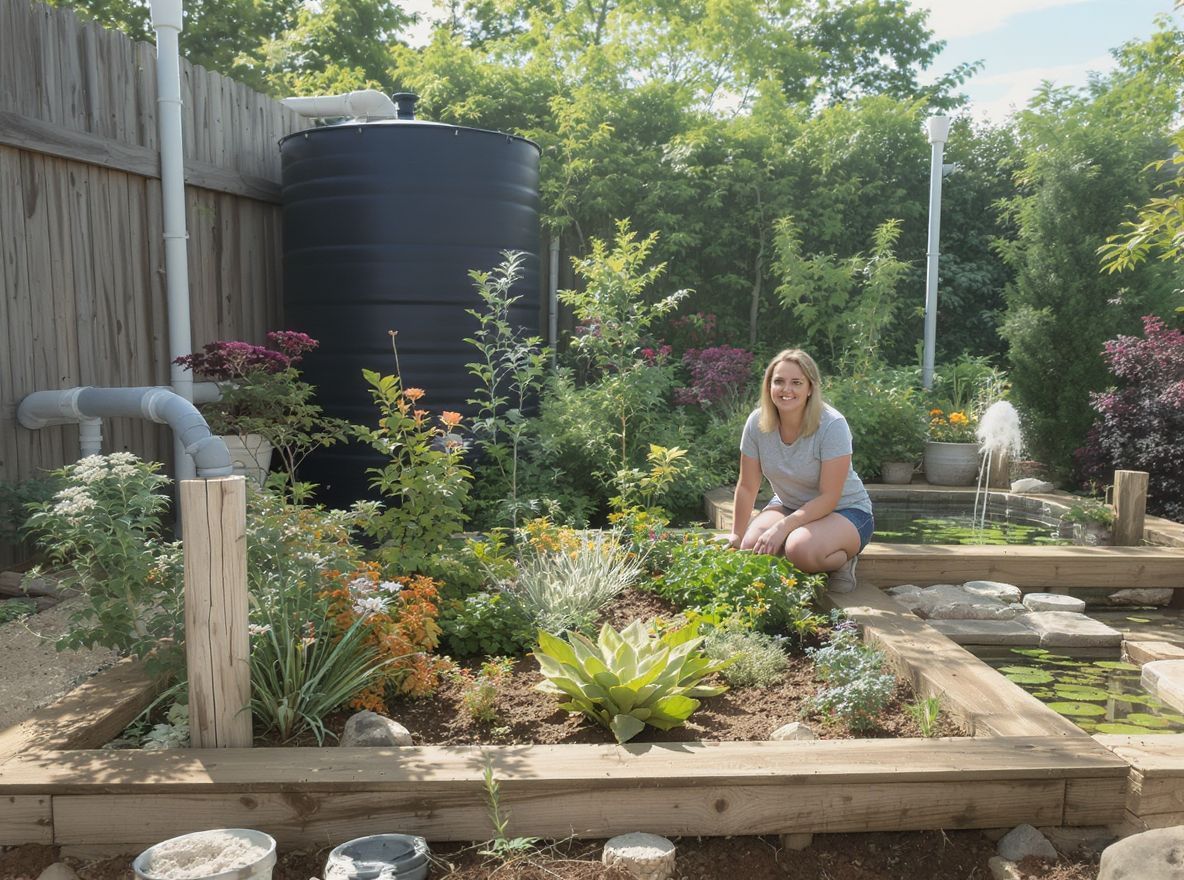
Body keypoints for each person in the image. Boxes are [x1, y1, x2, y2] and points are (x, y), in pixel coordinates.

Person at [726, 349, 873, 592]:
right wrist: (736, 535)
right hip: (789, 504)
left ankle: (843, 560)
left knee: (799, 549)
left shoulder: (832, 425)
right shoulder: (756, 423)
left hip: (845, 510)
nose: (787, 389)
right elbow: (747, 486)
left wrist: (782, 528)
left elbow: (829, 497)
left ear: (810, 388)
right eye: (779, 381)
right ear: (769, 386)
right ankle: (800, 547)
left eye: (796, 382)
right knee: (752, 548)